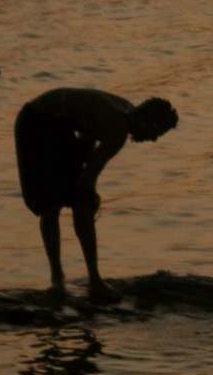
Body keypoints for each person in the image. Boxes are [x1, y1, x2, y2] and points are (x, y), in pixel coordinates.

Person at [13, 87, 179, 300]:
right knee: (57, 204)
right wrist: (91, 195)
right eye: (156, 133)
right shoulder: (119, 128)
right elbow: (87, 177)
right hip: (35, 122)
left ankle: (79, 279)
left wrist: (82, 176)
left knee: (78, 200)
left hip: (58, 124)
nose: (154, 139)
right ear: (146, 122)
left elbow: (86, 136)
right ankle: (77, 280)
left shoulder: (125, 111)